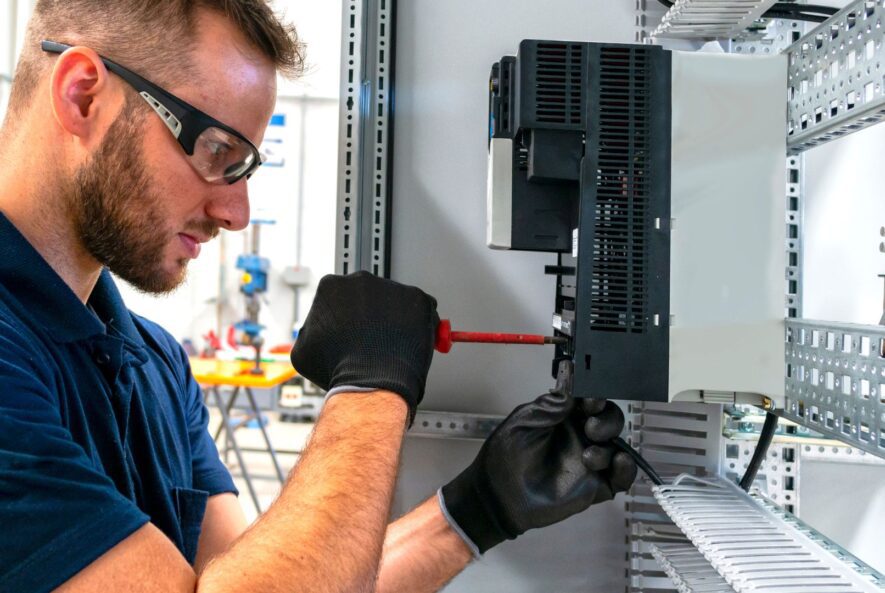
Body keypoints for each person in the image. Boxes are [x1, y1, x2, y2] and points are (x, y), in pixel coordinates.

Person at [0, 1, 637, 591]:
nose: (235, 212)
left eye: (243, 169)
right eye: (215, 151)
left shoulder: (154, 363)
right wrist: (369, 388)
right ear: (82, 96)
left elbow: (278, 579)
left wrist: (476, 511)